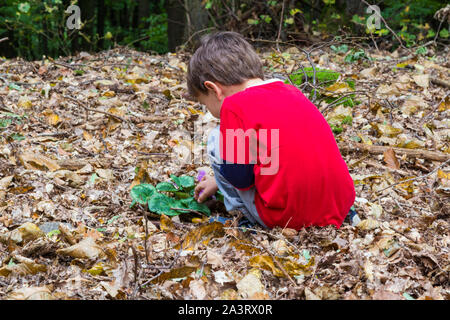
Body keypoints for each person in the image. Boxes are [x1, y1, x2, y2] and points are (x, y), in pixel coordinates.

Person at [187, 31, 357, 230]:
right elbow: (282, 154)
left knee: (217, 137)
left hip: (286, 217)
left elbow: (240, 179)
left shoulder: (233, 107)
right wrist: (218, 181)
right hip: (339, 207)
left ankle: (242, 218)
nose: (210, 110)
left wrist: (224, 176)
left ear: (214, 90)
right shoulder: (292, 92)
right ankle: (342, 214)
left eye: (204, 103)